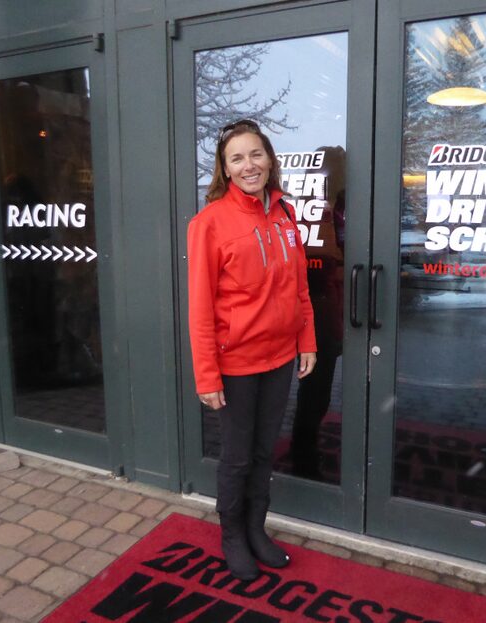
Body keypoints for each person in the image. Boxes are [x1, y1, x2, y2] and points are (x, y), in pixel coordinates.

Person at [187, 119, 317, 580]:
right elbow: (200, 307)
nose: (249, 165)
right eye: (237, 158)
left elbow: (299, 285)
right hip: (236, 363)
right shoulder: (209, 224)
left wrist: (307, 341)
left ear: (269, 158)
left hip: (280, 357)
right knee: (238, 456)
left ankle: (257, 529)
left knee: (265, 452)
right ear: (224, 169)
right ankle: (232, 536)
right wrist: (207, 375)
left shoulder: (284, 214)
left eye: (255, 154)